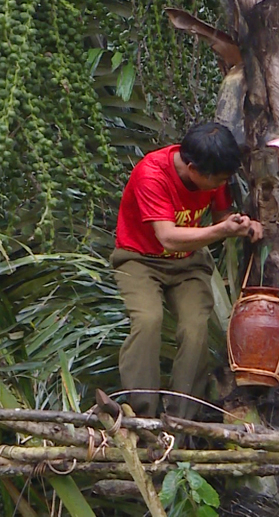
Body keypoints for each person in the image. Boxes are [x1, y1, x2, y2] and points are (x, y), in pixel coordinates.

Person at [111, 122, 263, 419]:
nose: (221, 185)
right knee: (148, 320)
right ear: (193, 168)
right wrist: (221, 230)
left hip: (188, 262)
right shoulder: (152, 173)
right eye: (217, 180)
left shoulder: (214, 176)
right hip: (140, 260)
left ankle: (183, 419)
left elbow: (223, 215)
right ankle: (141, 416)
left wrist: (243, 225)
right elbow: (167, 237)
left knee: (195, 329)